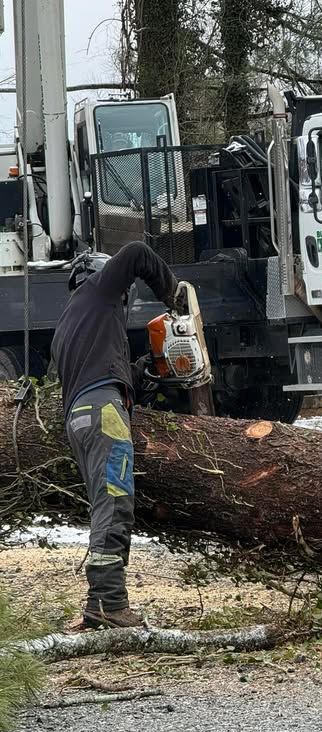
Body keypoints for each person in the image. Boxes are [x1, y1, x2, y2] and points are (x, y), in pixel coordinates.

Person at [51, 242, 178, 629]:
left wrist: (143, 373)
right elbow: (138, 253)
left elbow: (99, 371)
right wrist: (176, 295)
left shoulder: (69, 326)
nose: (123, 297)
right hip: (104, 414)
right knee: (116, 504)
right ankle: (110, 601)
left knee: (103, 507)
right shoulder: (99, 292)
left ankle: (96, 604)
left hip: (80, 418)